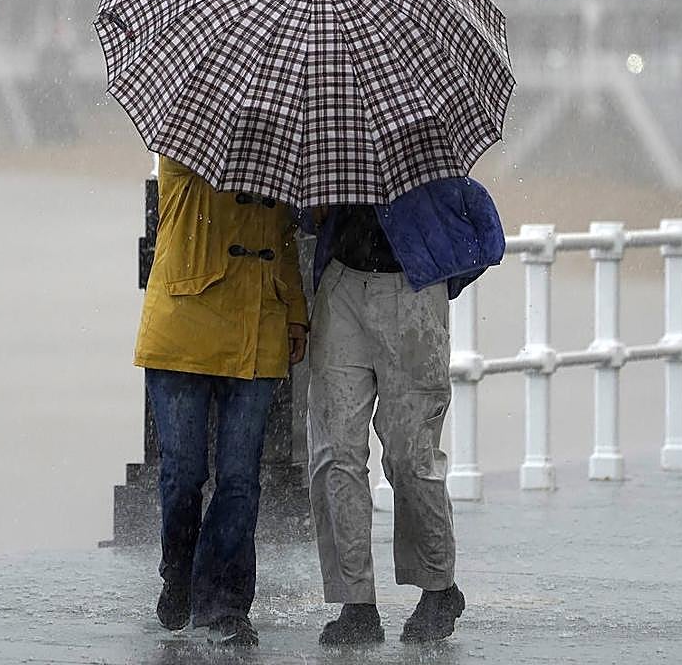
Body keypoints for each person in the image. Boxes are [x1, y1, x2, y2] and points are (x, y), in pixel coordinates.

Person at [304, 177, 504, 645]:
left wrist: (436, 271)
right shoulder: (330, 149)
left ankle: (438, 586)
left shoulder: (425, 148)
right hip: (341, 283)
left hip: (413, 288)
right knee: (334, 452)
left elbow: (486, 233)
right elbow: (304, 215)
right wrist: (313, 211)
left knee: (409, 456)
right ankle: (356, 603)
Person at [135, 155, 309, 647]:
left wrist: (295, 311)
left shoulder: (283, 151)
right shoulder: (192, 141)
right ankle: (179, 572)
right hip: (183, 325)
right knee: (183, 473)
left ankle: (225, 605)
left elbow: (283, 240)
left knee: (239, 479)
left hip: (258, 324)